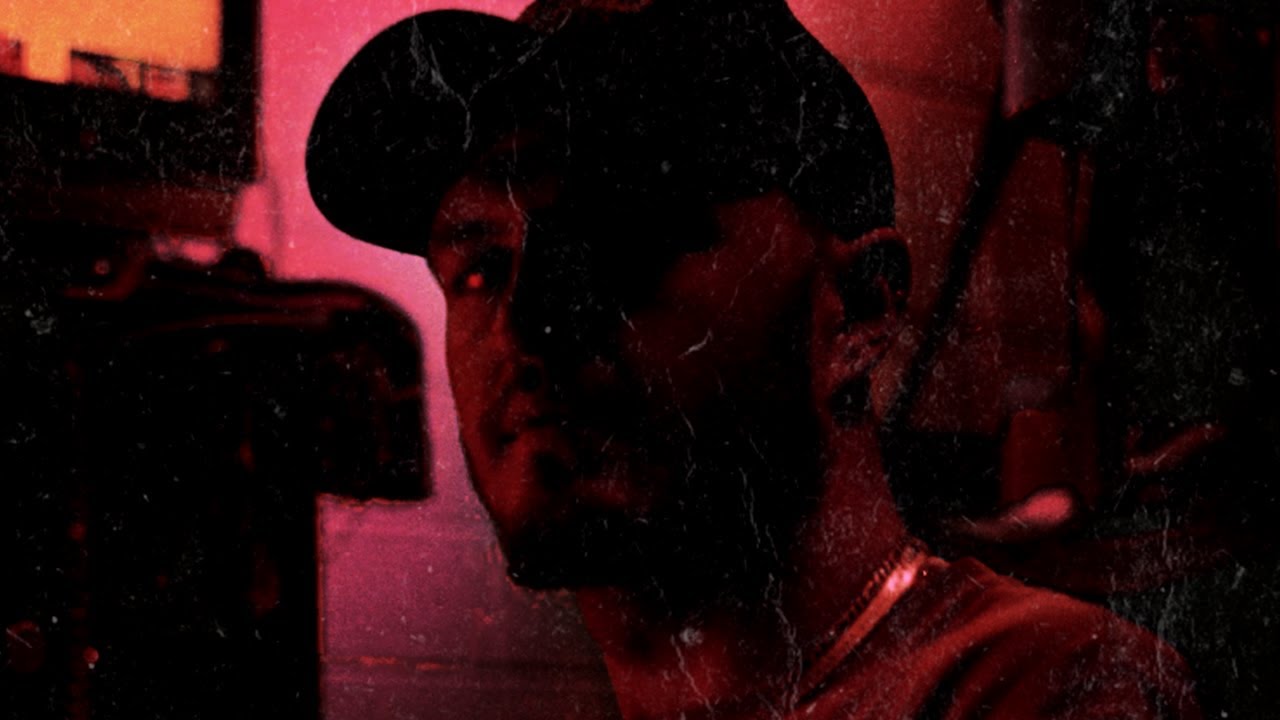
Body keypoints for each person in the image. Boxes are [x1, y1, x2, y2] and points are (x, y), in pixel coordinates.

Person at [305, 0, 1202, 717]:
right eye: (478, 269)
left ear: (858, 308)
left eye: (622, 238)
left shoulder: (1049, 692)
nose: (526, 322)